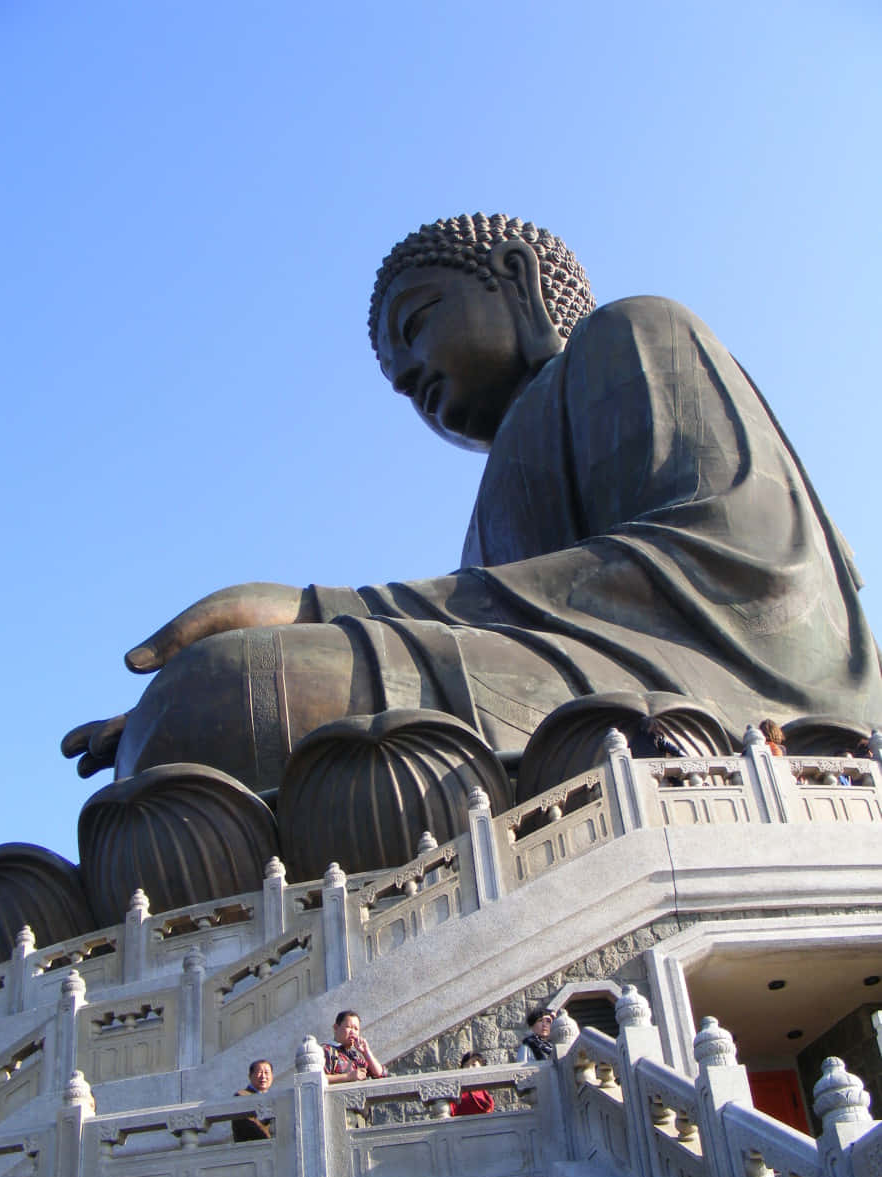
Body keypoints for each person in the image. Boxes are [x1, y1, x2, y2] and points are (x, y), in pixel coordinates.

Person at [63, 214, 882, 827]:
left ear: (516, 276)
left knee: (222, 690)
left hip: (726, 697)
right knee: (206, 701)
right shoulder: (494, 498)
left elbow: (743, 568)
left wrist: (323, 612)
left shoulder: (634, 333)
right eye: (395, 377)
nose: (409, 376)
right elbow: (501, 635)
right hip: (568, 694)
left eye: (416, 326)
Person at [322, 1010, 387, 1083]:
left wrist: (366, 1052)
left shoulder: (356, 1057)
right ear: (336, 1027)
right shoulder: (326, 1051)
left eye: (356, 1029)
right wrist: (348, 1077)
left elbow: (380, 1074)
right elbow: (318, 1079)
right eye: (349, 1027)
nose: (353, 1032)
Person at [232, 1058, 274, 1142]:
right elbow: (249, 1125)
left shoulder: (273, 1097)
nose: (263, 1076)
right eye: (259, 1072)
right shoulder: (241, 1096)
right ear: (250, 1076)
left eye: (266, 1073)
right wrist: (270, 1139)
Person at [450, 1050, 494, 1116]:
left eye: (473, 1065)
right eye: (466, 1065)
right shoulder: (457, 1092)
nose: (469, 1068)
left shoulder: (483, 1093)